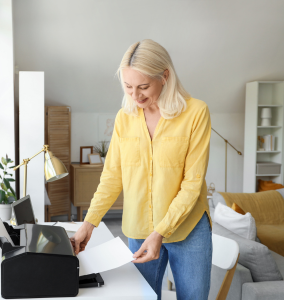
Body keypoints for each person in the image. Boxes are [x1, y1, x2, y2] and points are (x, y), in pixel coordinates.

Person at [70, 39, 212, 300]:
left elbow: (192, 184)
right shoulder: (125, 118)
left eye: (143, 87)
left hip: (189, 231)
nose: (135, 96)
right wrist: (88, 225)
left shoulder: (196, 113)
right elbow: (112, 176)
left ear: (165, 76)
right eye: (128, 87)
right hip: (139, 229)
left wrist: (160, 232)